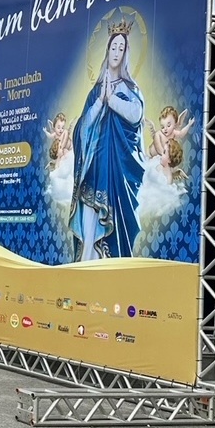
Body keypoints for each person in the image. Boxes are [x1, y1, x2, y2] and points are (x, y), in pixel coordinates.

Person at [69, 19, 145, 261]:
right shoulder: (96, 89)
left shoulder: (129, 87)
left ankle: (107, 267)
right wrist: (100, 101)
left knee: (112, 221)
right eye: (113, 47)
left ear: (125, 55)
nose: (116, 52)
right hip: (93, 167)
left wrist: (113, 101)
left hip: (115, 171)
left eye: (121, 48)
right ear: (107, 50)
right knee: (90, 220)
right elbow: (82, 128)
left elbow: (136, 115)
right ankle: (86, 265)